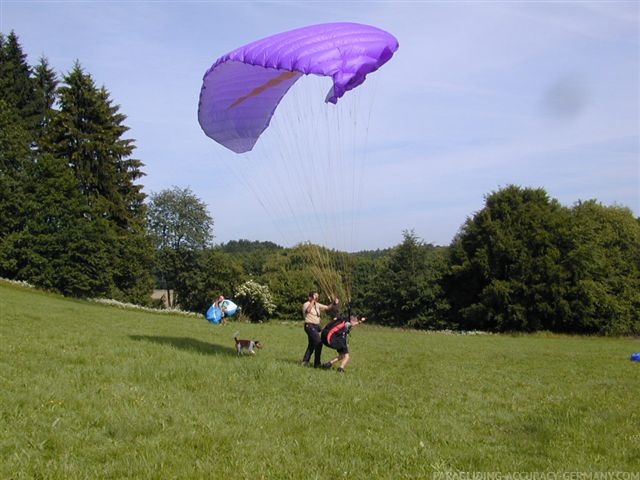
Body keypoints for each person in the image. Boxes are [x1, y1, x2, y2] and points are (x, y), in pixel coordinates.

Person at [301, 291, 339, 368]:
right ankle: (317, 363)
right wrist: (312, 301)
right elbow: (308, 310)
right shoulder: (306, 304)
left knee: (312, 344)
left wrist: (334, 303)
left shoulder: (317, 305)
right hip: (309, 326)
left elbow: (328, 308)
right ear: (310, 297)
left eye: (317, 297)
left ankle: (305, 361)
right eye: (315, 296)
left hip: (315, 327)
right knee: (318, 342)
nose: (317, 298)